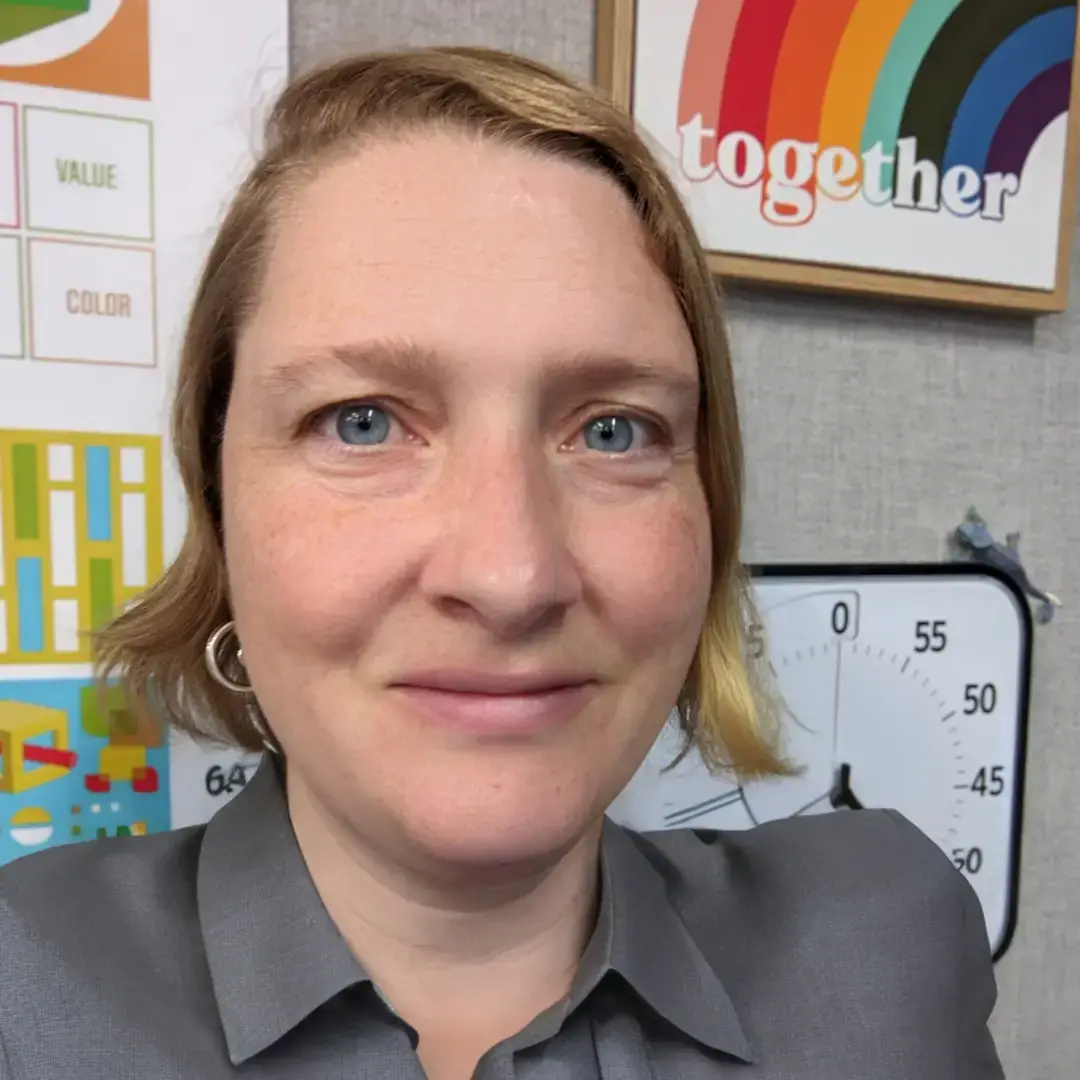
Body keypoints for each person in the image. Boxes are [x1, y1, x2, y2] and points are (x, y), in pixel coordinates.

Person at [0, 46, 1004, 1080]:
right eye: (362, 422)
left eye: (613, 431)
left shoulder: (885, 948)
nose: (511, 576)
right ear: (219, 507)